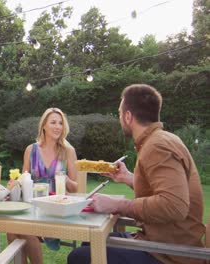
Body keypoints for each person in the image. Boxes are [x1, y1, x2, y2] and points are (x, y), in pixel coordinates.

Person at [68, 84, 205, 264]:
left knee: (78, 257)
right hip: (152, 241)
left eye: (119, 113)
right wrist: (128, 178)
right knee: (90, 242)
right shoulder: (159, 140)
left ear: (128, 116)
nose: (119, 118)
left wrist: (118, 204)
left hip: (170, 254)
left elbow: (175, 205)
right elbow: (160, 188)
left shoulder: (158, 146)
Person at [8, 107, 79, 264]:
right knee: (12, 230)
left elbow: (76, 188)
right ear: (44, 126)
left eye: (60, 123)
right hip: (32, 207)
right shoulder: (31, 150)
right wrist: (15, 184)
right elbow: (23, 179)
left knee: (24, 230)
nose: (57, 126)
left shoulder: (68, 151)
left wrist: (65, 179)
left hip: (55, 210)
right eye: (53, 122)